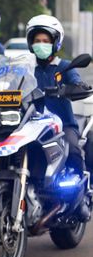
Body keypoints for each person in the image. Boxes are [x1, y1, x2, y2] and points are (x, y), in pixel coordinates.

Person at [26, 14, 89, 218]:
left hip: (62, 126)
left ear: (55, 42)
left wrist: (74, 88)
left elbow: (76, 81)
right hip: (30, 125)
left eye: (46, 41)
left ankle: (80, 199)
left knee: (73, 149)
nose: (41, 44)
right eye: (37, 40)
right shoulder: (26, 67)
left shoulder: (64, 67)